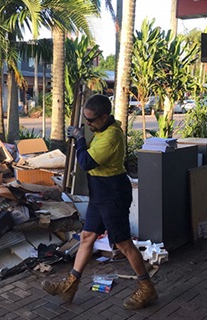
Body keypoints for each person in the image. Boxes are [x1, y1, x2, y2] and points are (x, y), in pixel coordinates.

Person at [41, 94, 158, 310]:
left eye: (91, 120)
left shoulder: (111, 136)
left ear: (105, 117)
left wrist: (79, 138)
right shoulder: (103, 128)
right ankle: (70, 286)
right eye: (85, 119)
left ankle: (147, 288)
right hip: (100, 192)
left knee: (123, 243)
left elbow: (85, 162)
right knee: (87, 236)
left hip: (113, 193)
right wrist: (82, 135)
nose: (88, 124)